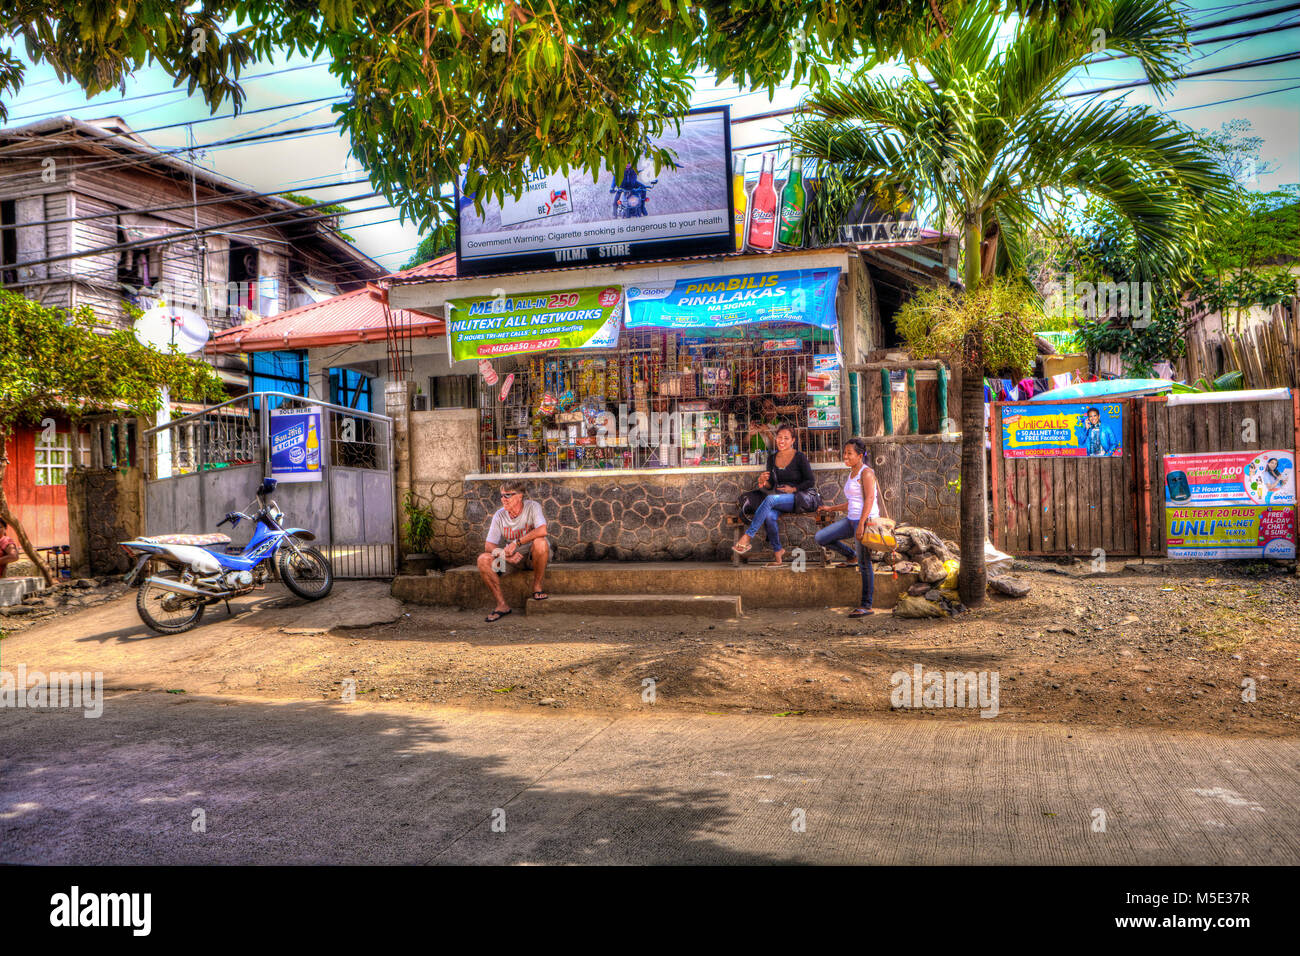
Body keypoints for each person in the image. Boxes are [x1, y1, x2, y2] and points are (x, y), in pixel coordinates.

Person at [814, 438, 883, 618]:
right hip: (851, 520)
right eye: (844, 453)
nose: (845, 456)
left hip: (865, 521)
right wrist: (832, 508)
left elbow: (869, 500)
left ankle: (866, 605)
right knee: (822, 537)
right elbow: (853, 501)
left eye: (849, 453)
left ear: (860, 455)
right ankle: (850, 555)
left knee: (865, 564)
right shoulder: (852, 473)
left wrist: (861, 524)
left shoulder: (866, 473)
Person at [732, 424, 815, 567]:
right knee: (769, 516)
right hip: (780, 500)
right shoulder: (772, 459)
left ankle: (747, 537)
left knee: (770, 499)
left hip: (799, 498)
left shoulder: (800, 457)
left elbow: (810, 481)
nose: (782, 441)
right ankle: (778, 553)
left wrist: (793, 489)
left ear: (793, 440)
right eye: (779, 437)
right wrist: (763, 481)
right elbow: (770, 484)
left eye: (786, 438)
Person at [476, 481, 550, 622]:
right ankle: (502, 605)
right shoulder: (499, 515)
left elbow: (542, 530)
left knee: (540, 542)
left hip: (532, 557)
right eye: (502, 495)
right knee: (483, 559)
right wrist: (505, 556)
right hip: (512, 559)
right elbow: (489, 545)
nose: (503, 499)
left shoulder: (532, 507)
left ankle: (537, 586)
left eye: (508, 495)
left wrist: (517, 543)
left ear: (520, 496)